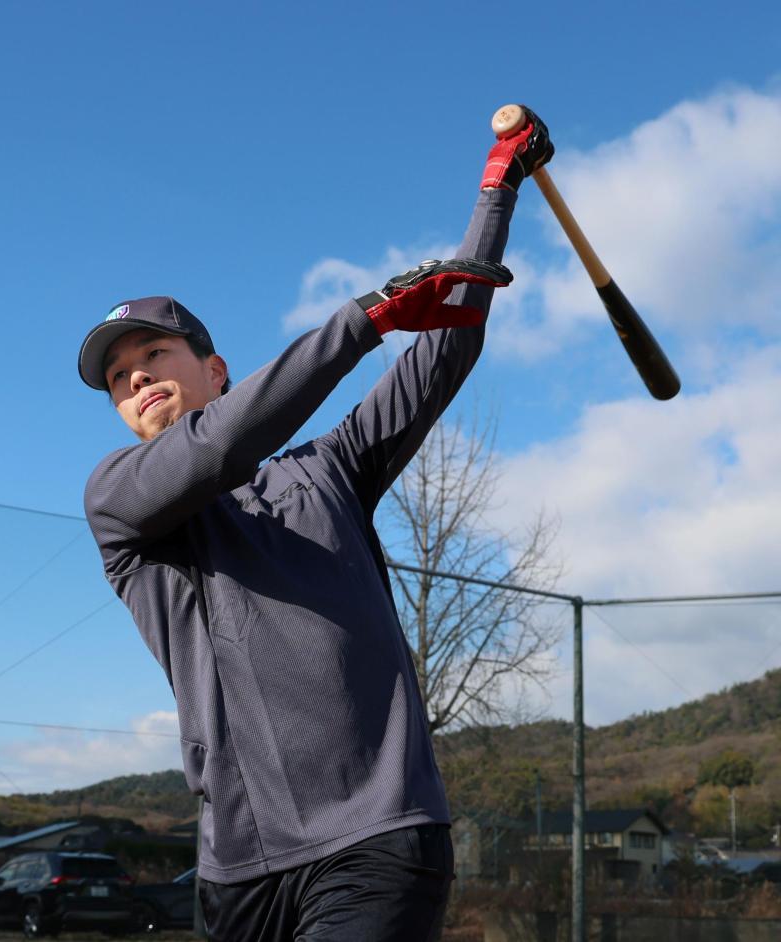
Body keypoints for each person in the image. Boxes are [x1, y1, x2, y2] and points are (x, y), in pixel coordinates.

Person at [78, 109, 553, 942]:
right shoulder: (121, 503)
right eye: (119, 377)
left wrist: (496, 187)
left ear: (215, 368)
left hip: (377, 835)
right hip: (237, 868)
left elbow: (445, 344)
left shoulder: (323, 471)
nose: (137, 377)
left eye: (156, 354)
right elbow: (218, 449)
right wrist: (361, 321)